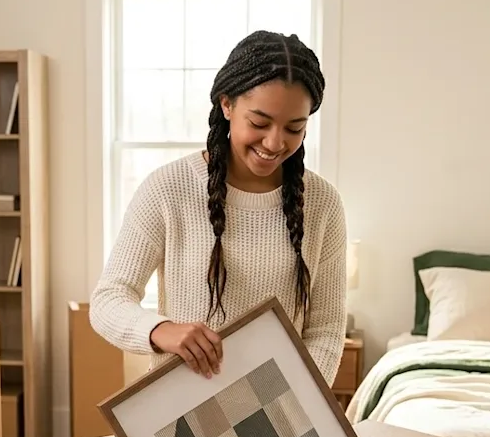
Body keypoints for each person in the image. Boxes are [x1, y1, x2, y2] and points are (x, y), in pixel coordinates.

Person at [90, 30, 348, 386]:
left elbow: (326, 329)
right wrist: (160, 330)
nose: (274, 142)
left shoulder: (323, 203)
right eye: (259, 123)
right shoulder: (168, 188)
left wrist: (295, 400)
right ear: (227, 105)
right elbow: (108, 301)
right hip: (180, 407)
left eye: (294, 128)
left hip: (278, 410)